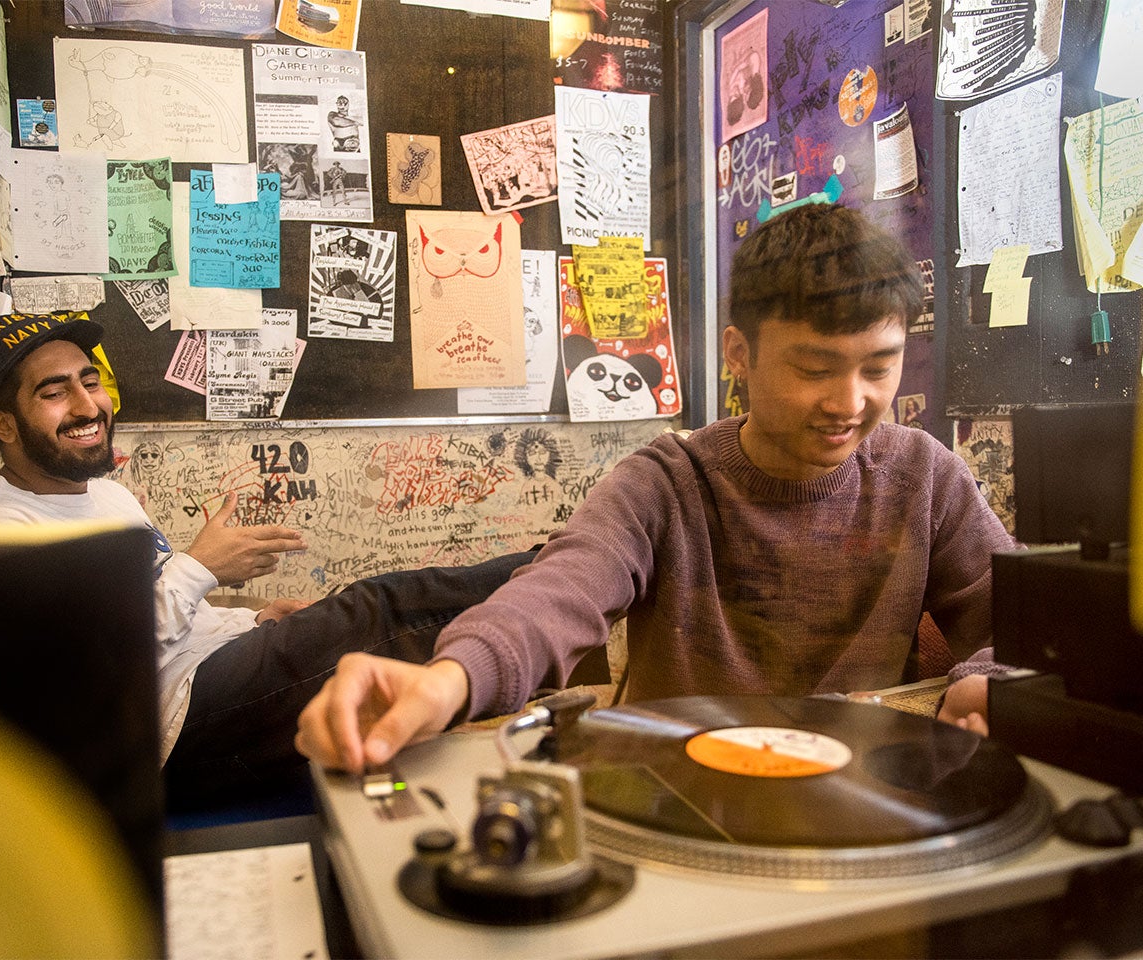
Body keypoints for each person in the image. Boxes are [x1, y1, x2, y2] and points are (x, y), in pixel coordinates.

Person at [295, 204, 1018, 774]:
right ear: (740, 353)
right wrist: (450, 679)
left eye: (879, 367)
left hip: (861, 801)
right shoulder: (667, 483)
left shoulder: (925, 474)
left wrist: (988, 679)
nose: (850, 401)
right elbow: (560, 592)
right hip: (677, 799)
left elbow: (1018, 623)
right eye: (815, 367)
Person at [0, 310, 534, 809]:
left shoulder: (102, 493)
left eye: (91, 381)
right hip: (166, 735)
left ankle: (552, 579)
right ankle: (558, 576)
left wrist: (251, 621)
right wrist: (199, 567)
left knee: (356, 615)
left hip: (207, 675)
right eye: (54, 392)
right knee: (375, 613)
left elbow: (178, 619)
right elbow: (89, 671)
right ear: (3, 423)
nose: (88, 406)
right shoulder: (2, 530)